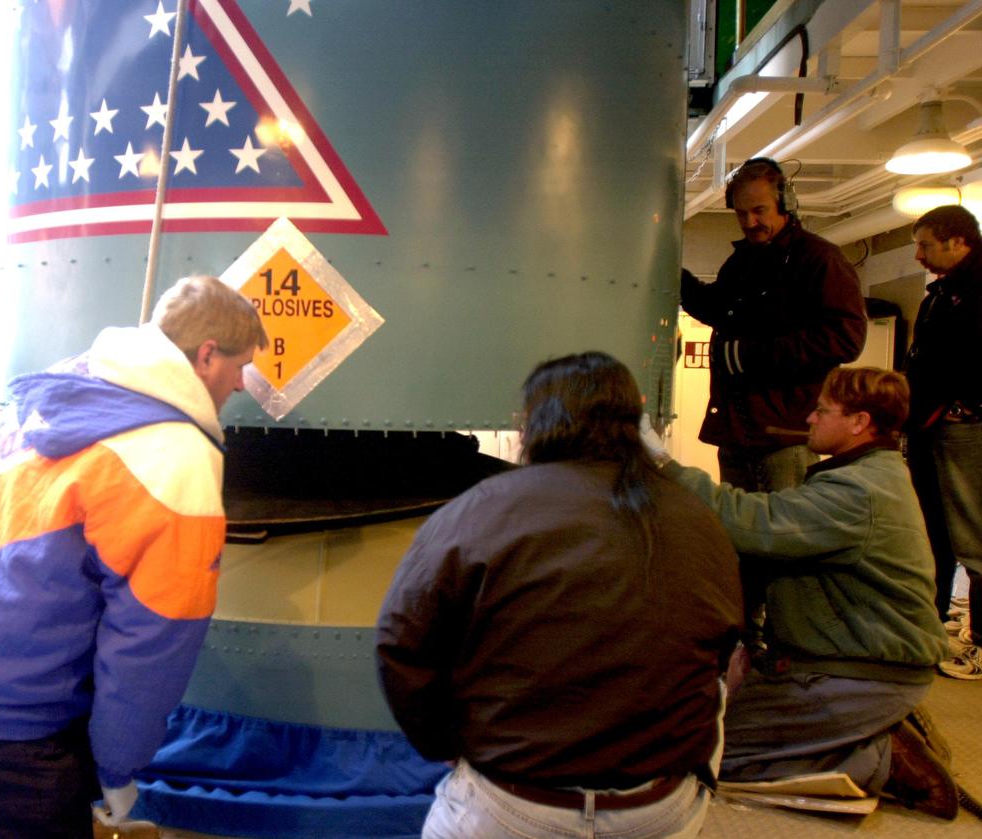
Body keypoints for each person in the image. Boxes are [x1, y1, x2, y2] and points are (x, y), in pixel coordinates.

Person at [0, 275, 267, 839]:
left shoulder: (71, 379)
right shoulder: (173, 458)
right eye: (240, 366)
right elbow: (150, 644)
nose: (242, 384)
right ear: (207, 355)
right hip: (7, 727)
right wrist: (118, 770)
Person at [376, 351, 743, 839]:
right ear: (633, 418)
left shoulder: (479, 510)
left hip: (514, 803)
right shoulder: (696, 517)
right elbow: (723, 648)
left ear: (534, 423)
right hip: (657, 806)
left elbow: (402, 643)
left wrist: (441, 740)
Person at [646, 367, 957, 819]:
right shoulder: (869, 474)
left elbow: (749, 520)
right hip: (850, 663)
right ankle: (852, 731)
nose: (809, 419)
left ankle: (877, 757)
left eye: (822, 411)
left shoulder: (857, 492)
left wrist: (661, 463)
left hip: (857, 674)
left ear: (859, 422)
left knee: (701, 757)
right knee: (698, 728)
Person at [681, 157, 867, 492]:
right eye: (741, 214)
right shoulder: (743, 262)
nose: (750, 222)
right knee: (743, 531)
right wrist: (677, 280)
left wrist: (750, 355)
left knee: (785, 534)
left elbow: (846, 339)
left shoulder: (819, 259)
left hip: (784, 434)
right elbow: (718, 308)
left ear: (785, 204)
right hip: (740, 429)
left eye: (759, 210)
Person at [904, 204, 982, 678]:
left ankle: (979, 644)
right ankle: (930, 630)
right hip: (932, 427)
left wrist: (960, 408)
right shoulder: (943, 293)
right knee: (934, 532)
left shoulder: (975, 292)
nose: (917, 255)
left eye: (925, 244)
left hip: (963, 430)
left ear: (958, 241)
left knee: (974, 538)